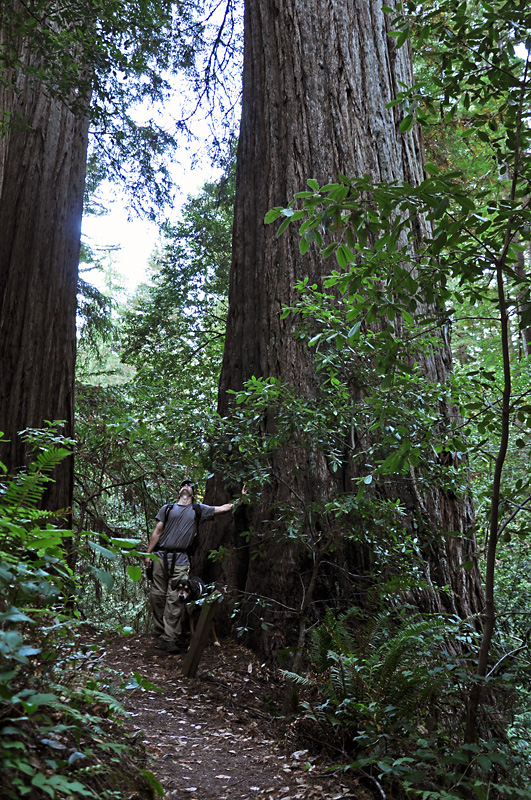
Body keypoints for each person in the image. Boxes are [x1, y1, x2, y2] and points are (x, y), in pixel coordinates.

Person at [144, 479, 237, 654]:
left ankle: (170, 638)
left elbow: (222, 509)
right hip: (160, 557)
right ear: (179, 492)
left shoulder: (197, 509)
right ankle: (160, 634)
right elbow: (157, 531)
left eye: (189, 486)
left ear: (193, 494)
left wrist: (241, 500)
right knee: (157, 597)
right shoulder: (167, 508)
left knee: (175, 598)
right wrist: (148, 554)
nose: (186, 486)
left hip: (180, 559)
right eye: (183, 485)